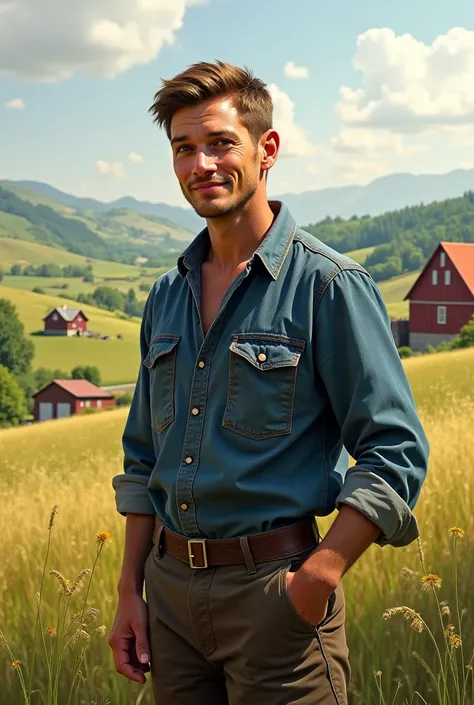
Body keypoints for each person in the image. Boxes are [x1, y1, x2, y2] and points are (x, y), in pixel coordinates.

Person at [109, 60, 429, 705]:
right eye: (183, 148)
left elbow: (394, 451)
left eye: (221, 143)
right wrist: (129, 592)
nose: (201, 165)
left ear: (267, 149)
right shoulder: (166, 296)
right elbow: (144, 459)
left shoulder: (329, 286)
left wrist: (315, 580)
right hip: (167, 599)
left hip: (275, 597)